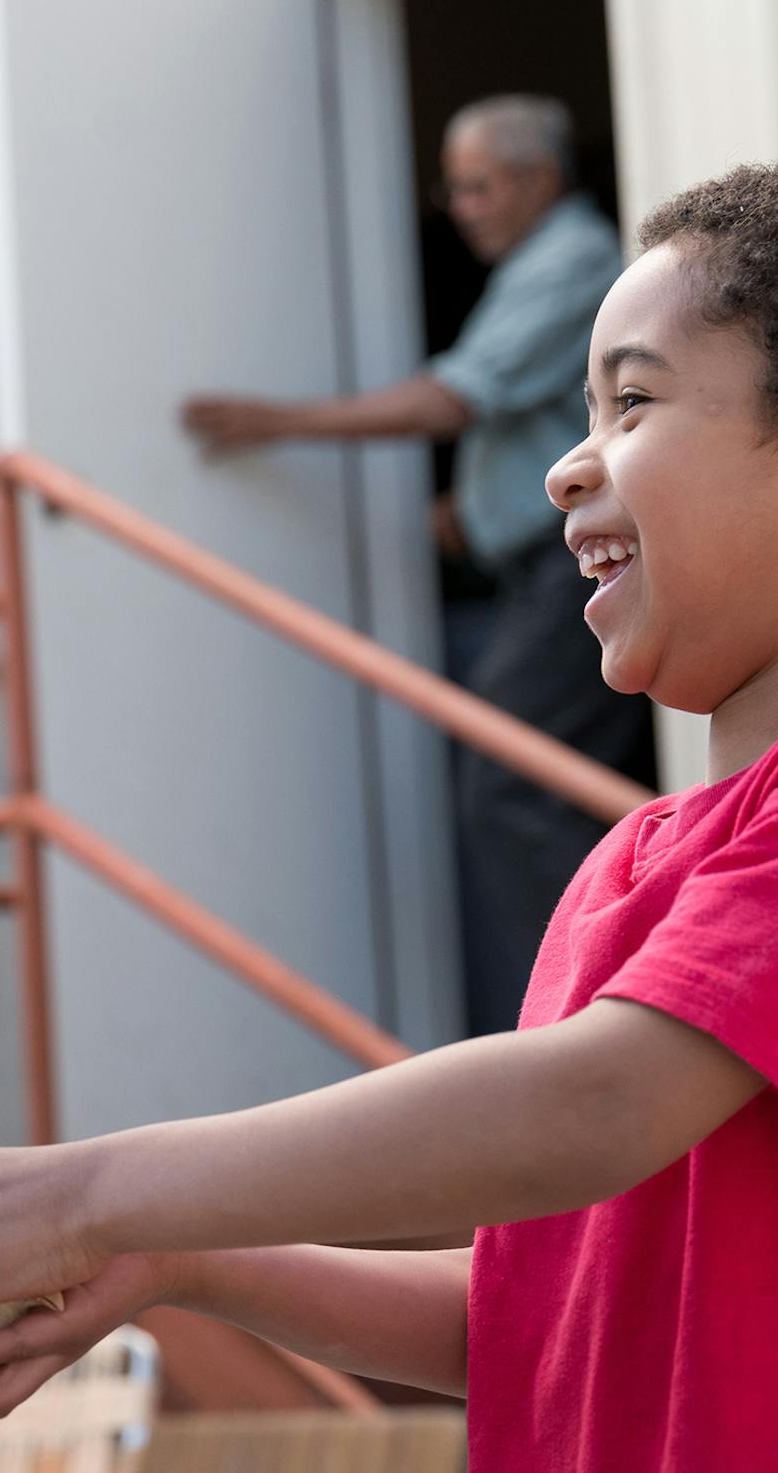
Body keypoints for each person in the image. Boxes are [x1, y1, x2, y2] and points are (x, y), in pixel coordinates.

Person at [0, 152, 778, 1470]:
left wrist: (82, 1191)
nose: (566, 468)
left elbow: (596, 1105)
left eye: (632, 402)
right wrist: (160, 1252)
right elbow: (540, 1320)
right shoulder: (629, 870)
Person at [183, 95, 653, 1034]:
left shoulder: (572, 261)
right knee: (536, 782)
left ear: (538, 180)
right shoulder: (538, 264)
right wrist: (472, 510)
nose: (461, 206)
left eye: (478, 186)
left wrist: (277, 424)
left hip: (580, 573)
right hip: (530, 566)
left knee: (516, 788)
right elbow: (532, 421)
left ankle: (604, 1014)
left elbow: (456, 400)